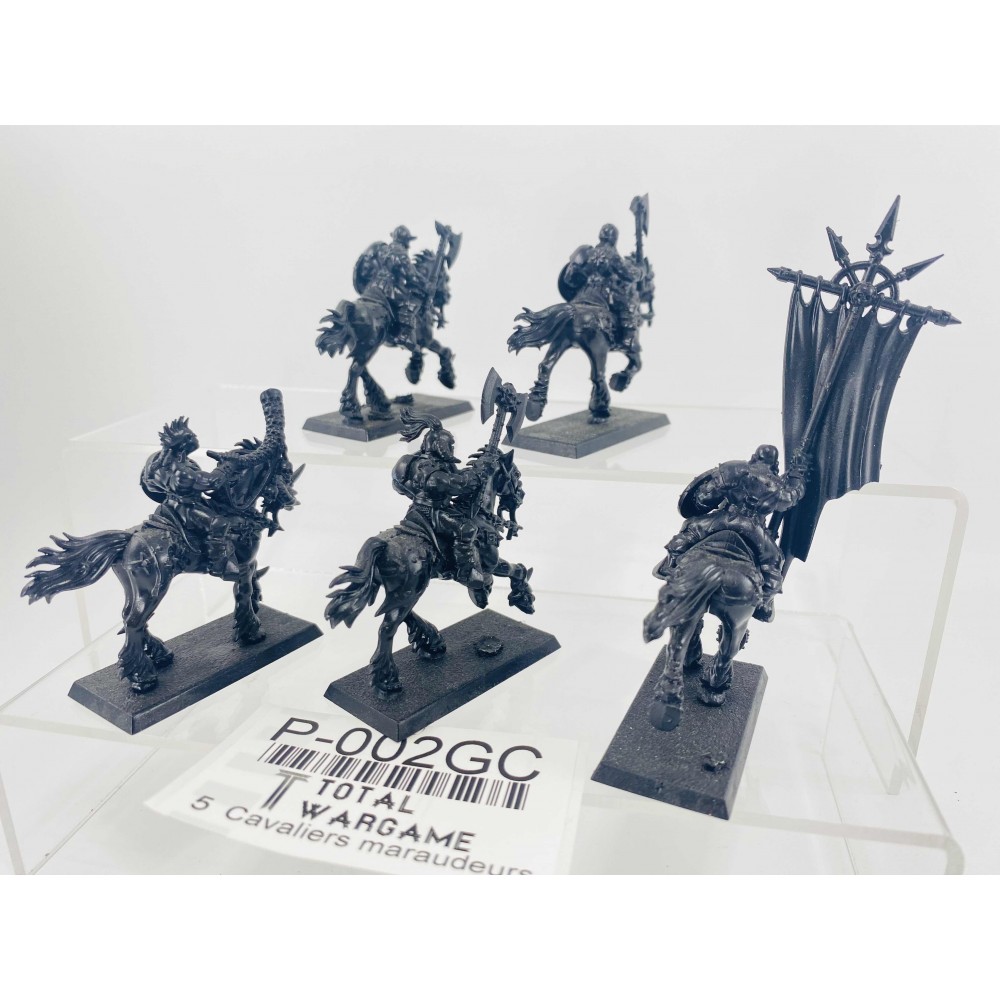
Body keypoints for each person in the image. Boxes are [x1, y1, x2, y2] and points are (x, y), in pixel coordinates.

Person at [663, 445, 808, 622]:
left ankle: (671, 568)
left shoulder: (735, 468)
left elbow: (705, 497)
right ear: (775, 464)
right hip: (754, 530)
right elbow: (791, 498)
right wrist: (797, 473)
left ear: (755, 456)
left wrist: (702, 502)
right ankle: (764, 602)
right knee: (774, 564)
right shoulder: (778, 486)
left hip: (722, 520)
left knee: (687, 534)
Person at [391, 412, 496, 597]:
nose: (452, 448)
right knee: (467, 529)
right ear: (440, 445)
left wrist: (479, 468)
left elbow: (456, 477)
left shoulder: (433, 462)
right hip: (433, 512)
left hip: (419, 508)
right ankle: (465, 571)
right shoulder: (426, 466)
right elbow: (457, 484)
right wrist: (477, 475)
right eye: (450, 445)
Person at [562, 223, 642, 348]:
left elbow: (568, 278)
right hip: (605, 294)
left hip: (583, 293)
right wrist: (640, 271)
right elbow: (628, 275)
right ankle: (628, 341)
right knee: (629, 305)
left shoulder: (587, 252)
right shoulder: (612, 255)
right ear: (614, 239)